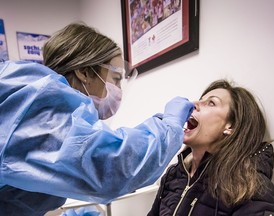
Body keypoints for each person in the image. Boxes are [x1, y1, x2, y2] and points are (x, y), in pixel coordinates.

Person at [0, 22, 194, 216]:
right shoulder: (36, 104)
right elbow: (113, 166)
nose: (118, 90)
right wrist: (169, 126)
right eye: (116, 78)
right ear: (84, 72)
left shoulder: (31, 94)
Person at [147, 79, 274, 216]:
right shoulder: (174, 175)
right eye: (200, 99)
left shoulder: (251, 186)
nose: (193, 104)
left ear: (231, 127)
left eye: (211, 103)